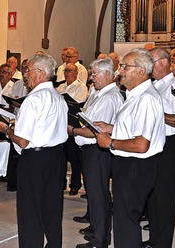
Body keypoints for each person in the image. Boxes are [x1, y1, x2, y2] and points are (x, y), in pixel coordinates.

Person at [0, 54, 68, 248]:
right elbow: (45, 126)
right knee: (52, 208)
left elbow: (24, 141)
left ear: (42, 73)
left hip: (35, 160)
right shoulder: (58, 97)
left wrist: (7, 130)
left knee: (30, 211)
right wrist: (18, 123)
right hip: (56, 156)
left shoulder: (33, 99)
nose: (25, 75)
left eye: (28, 71)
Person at [94, 48, 166, 248]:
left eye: (126, 66)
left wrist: (110, 142)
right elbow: (133, 129)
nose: (120, 70)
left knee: (126, 221)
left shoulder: (146, 99)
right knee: (124, 219)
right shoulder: (136, 96)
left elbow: (141, 144)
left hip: (136, 165)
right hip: (130, 164)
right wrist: (110, 128)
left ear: (141, 71)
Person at [71, 58, 124, 248]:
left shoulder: (109, 97)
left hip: (97, 149)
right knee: (94, 193)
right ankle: (96, 229)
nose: (91, 77)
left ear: (108, 75)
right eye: (91, 73)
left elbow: (96, 129)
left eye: (94, 73)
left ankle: (100, 240)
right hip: (91, 149)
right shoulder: (100, 93)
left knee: (98, 194)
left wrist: (73, 130)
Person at [143, 48, 175, 248]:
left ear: (163, 62)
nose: (148, 66)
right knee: (153, 196)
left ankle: (162, 243)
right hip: (154, 143)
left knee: (164, 197)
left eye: (150, 61)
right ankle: (154, 239)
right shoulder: (154, 86)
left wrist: (156, 115)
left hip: (169, 146)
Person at [56, 62, 89, 195]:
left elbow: (79, 104)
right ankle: (61, 183)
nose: (67, 73)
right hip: (60, 123)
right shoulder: (60, 86)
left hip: (73, 123)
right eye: (66, 71)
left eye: (70, 71)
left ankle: (75, 184)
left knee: (74, 156)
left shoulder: (81, 87)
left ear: (76, 73)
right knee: (61, 156)